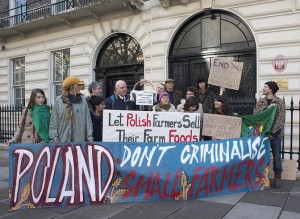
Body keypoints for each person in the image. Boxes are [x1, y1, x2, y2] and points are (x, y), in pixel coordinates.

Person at [253, 81, 286, 188]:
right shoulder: (261, 101)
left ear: (270, 89)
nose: (263, 88)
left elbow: (281, 118)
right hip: (262, 134)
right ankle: (262, 178)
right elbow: (256, 115)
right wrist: (267, 109)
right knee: (262, 156)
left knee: (276, 156)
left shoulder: (279, 102)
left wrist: (273, 133)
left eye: (265, 87)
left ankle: (277, 177)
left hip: (275, 134)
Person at [49, 75, 93, 142]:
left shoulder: (83, 100)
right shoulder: (58, 101)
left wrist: (89, 136)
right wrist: (54, 137)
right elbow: (53, 121)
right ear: (73, 87)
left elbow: (88, 120)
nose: (80, 87)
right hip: (62, 141)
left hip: (79, 141)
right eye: (78, 85)